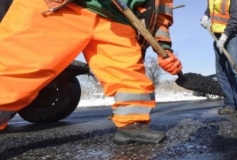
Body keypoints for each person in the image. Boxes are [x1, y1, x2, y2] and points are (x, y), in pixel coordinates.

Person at [0, 0, 182, 145]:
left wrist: (164, 48)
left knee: (129, 77)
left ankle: (133, 124)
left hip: (118, 19)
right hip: (60, 7)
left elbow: (161, 14)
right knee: (17, 66)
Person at [200, 0, 237, 117]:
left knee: (235, 69)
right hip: (217, 35)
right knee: (221, 71)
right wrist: (206, 15)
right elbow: (211, 8)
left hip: (234, 34)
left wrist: (224, 36)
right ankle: (230, 104)